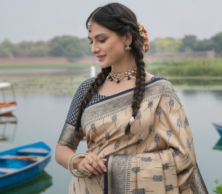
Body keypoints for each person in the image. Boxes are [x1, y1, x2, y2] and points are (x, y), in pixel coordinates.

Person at [55, 2, 208, 194]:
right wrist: (78, 161)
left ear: (127, 38)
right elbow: (63, 148)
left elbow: (183, 157)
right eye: (90, 41)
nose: (94, 48)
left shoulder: (160, 91)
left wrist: (113, 167)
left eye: (101, 40)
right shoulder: (87, 90)